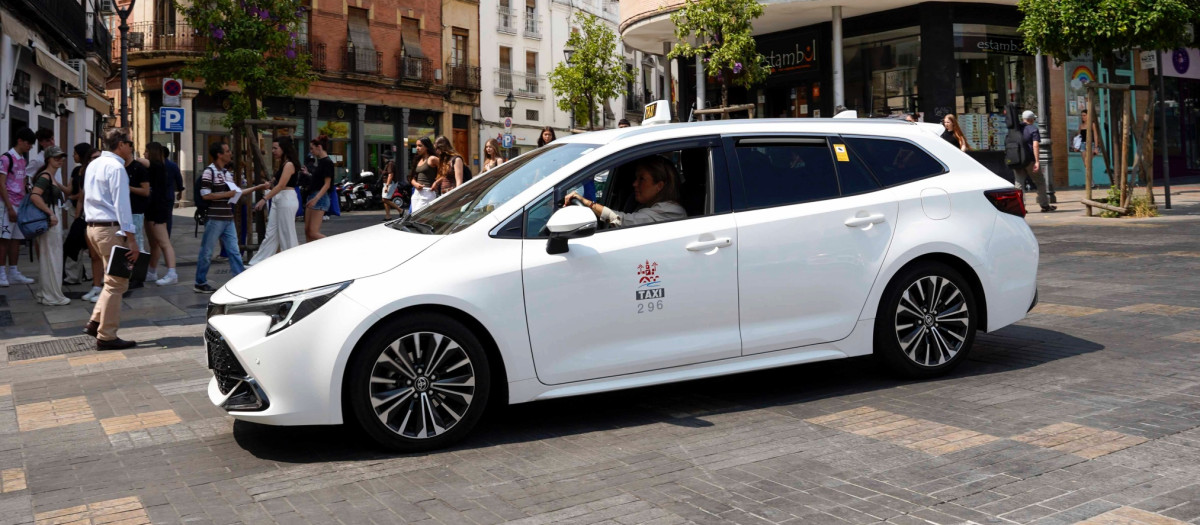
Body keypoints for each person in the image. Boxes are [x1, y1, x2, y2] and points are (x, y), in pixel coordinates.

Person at [82, 128, 140, 350]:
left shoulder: (94, 164)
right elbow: (122, 205)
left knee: (111, 280)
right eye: (130, 144)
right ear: (121, 145)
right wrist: (132, 239)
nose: (131, 148)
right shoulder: (116, 167)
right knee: (117, 282)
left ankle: (95, 322)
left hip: (94, 228)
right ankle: (106, 336)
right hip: (110, 229)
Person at [195, 141, 267, 294]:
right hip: (215, 218)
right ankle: (200, 282)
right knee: (207, 251)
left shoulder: (226, 173)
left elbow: (237, 192)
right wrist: (226, 194)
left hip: (228, 218)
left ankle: (239, 279)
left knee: (234, 251)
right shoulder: (209, 172)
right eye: (227, 151)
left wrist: (258, 187)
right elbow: (205, 195)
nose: (230, 153)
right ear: (219, 155)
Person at [563, 155, 686, 228]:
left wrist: (589, 204)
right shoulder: (645, 205)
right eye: (636, 178)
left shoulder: (671, 211)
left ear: (659, 186)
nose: (635, 184)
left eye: (642, 179)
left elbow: (623, 221)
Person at [28, 146, 71, 306]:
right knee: (52, 257)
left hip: (51, 219)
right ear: (48, 159)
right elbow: (34, 196)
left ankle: (46, 293)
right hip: (50, 220)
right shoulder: (45, 176)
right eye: (56, 157)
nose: (60, 160)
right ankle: (52, 295)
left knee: (50, 256)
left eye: (61, 157)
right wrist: (50, 213)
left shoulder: (49, 176)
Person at [249, 136, 300, 264]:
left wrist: (264, 199)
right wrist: (270, 183)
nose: (273, 151)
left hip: (286, 199)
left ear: (284, 148)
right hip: (280, 199)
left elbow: (281, 185)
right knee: (271, 234)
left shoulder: (289, 164)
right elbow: (276, 181)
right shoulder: (284, 163)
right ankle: (258, 262)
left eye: (275, 148)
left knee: (286, 233)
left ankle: (293, 263)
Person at [0, 127, 36, 287]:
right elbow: (1, 184)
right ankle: (1, 272)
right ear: (20, 141)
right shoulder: (6, 158)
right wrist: (9, 207)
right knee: (4, 239)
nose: (30, 147)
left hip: (20, 204)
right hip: (6, 204)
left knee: (16, 239)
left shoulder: (22, 160)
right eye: (28, 143)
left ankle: (13, 272)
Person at [144, 143, 178, 285]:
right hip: (151, 209)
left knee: (164, 242)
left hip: (158, 209)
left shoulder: (157, 166)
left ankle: (172, 273)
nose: (144, 154)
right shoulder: (156, 166)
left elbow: (143, 162)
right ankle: (152, 272)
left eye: (146, 151)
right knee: (154, 244)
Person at [64, 143, 94, 286]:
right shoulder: (76, 170)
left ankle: (87, 274)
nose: (73, 156)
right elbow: (69, 190)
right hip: (75, 210)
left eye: (75, 153)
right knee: (74, 243)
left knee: (89, 246)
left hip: (87, 212)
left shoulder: (91, 170)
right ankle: (75, 275)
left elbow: (84, 194)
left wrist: (74, 197)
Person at [1015, 110, 1054, 212]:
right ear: (1031, 119)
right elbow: (1035, 145)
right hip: (1030, 160)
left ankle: (1020, 207)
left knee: (1019, 184)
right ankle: (1044, 205)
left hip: (1017, 160)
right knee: (1040, 181)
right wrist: (1037, 161)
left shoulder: (1016, 129)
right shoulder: (1033, 129)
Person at [124, 151, 151, 288]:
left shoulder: (138, 168)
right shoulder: (118, 167)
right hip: (123, 211)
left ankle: (138, 277)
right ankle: (128, 274)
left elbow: (145, 191)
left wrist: (128, 188)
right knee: (126, 244)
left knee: (137, 242)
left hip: (136, 211)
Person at [304, 135, 334, 242]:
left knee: (312, 232)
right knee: (308, 231)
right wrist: (308, 174)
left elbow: (327, 184)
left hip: (319, 197)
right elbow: (319, 180)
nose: (311, 151)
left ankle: (333, 244)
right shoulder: (321, 161)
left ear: (319, 147)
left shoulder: (327, 162)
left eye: (312, 148)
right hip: (314, 195)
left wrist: (315, 199)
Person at [407, 138, 439, 212]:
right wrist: (415, 184)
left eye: (420, 146)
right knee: (414, 215)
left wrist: (436, 182)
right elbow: (411, 177)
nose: (417, 148)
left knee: (418, 214)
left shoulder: (432, 159)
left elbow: (446, 170)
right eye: (416, 146)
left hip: (428, 191)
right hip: (417, 192)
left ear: (427, 147)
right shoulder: (418, 159)